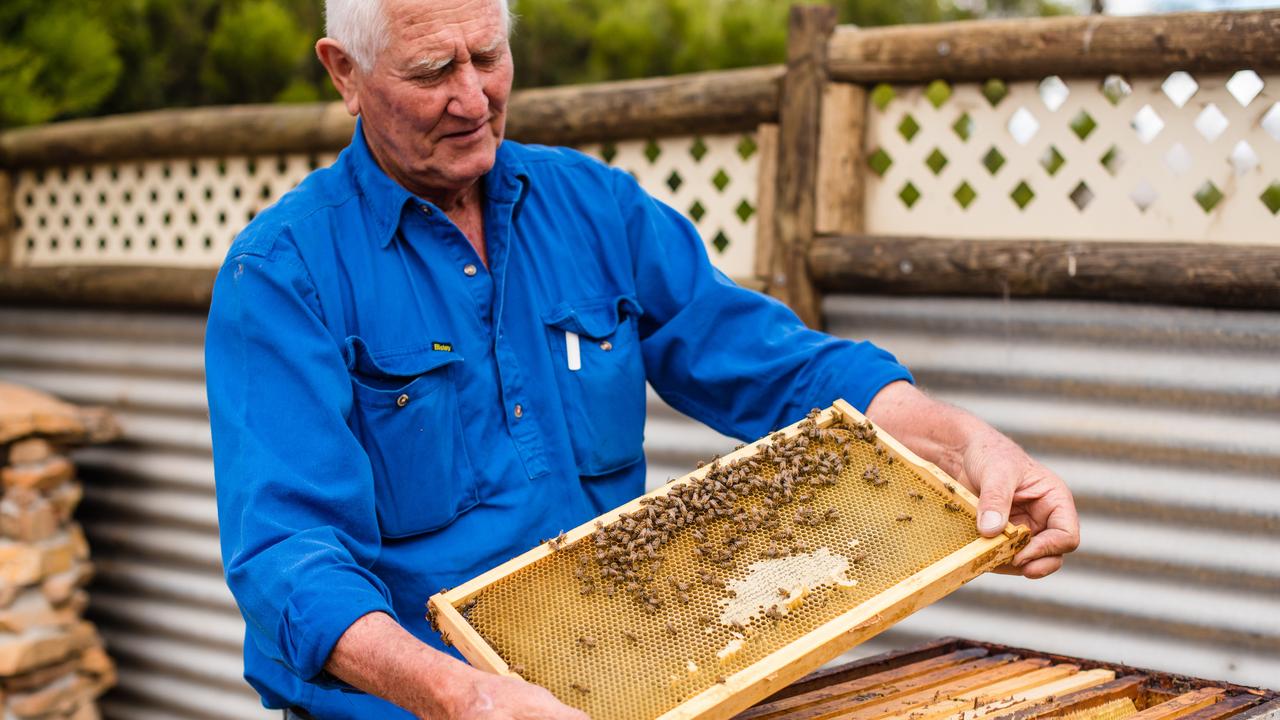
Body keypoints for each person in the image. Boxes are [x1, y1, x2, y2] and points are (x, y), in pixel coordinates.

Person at [203, 0, 1080, 717]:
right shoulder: (282, 274)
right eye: (432, 71)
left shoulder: (596, 208)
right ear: (344, 73)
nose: (471, 98)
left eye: (489, 57)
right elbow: (287, 554)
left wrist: (961, 442)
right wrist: (460, 694)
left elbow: (776, 365)